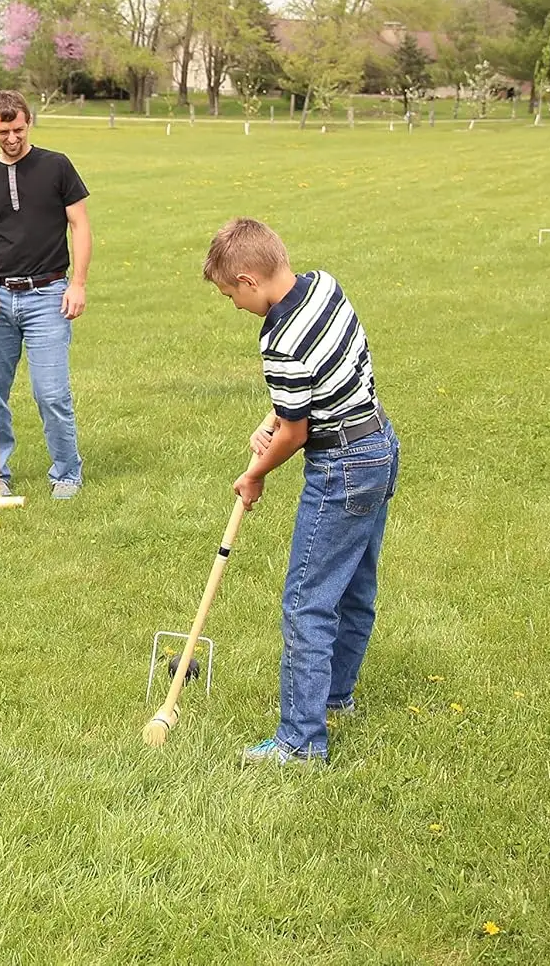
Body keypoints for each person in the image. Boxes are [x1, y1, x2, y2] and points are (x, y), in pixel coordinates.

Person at [203, 218, 400, 765]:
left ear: (247, 280)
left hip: (340, 466)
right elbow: (326, 375)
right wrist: (274, 414)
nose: (235, 306)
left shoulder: (278, 336)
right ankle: (336, 697)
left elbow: (297, 431)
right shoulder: (325, 286)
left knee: (306, 602)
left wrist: (257, 471)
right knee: (355, 587)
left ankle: (301, 740)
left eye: (230, 295)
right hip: (379, 444)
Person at [0, 90, 93, 499]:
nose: (12, 138)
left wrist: (78, 283)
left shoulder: (56, 166)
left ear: (29, 123)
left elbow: (81, 226)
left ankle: (67, 473)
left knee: (51, 392)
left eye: (18, 129)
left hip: (49, 296)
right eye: (3, 131)